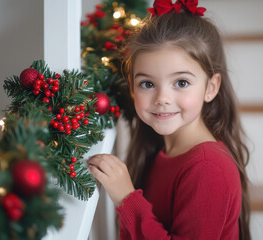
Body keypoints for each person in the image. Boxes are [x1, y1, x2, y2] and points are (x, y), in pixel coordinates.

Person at [87, 0, 251, 239]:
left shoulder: (208, 167)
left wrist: (126, 198)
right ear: (132, 88)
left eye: (181, 82)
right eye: (147, 84)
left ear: (211, 87)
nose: (162, 98)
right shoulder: (158, 153)